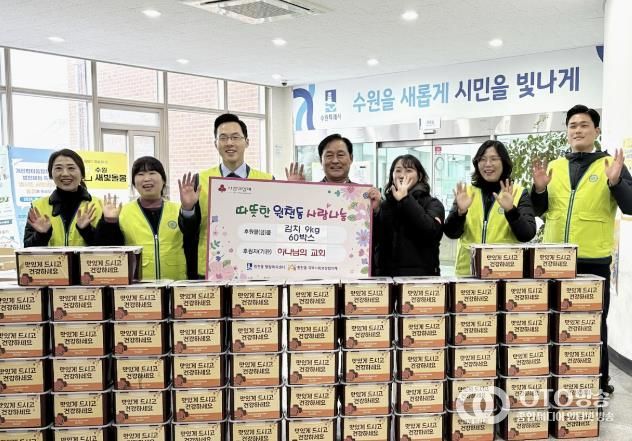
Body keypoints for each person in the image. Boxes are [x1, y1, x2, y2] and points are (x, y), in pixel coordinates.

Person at [531, 104, 632, 394]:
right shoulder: (554, 166)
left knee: (593, 323)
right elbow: (539, 210)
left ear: (596, 131)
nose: (578, 130)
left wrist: (615, 182)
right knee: (553, 319)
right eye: (572, 125)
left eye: (584, 125)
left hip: (593, 260)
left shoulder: (610, 164)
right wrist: (539, 189)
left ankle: (599, 379)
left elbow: (630, 205)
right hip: (554, 259)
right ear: (567, 131)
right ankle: (553, 377)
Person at [194, 113, 273, 277]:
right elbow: (190, 229)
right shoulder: (200, 180)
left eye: (235, 137)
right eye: (223, 138)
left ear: (247, 142)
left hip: (255, 267)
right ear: (215, 143)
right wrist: (187, 210)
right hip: (212, 269)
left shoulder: (267, 180)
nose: (229, 143)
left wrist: (291, 191)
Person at [98, 156, 199, 280]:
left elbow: (192, 240)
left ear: (163, 180)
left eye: (152, 173)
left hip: (175, 284)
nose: (146, 178)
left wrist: (188, 209)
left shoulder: (179, 210)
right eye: (140, 174)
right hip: (138, 286)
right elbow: (110, 253)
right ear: (134, 183)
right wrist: (110, 222)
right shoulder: (121, 212)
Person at [444, 140, 536, 276]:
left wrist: (511, 211)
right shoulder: (466, 193)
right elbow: (451, 233)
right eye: (482, 159)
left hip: (504, 273)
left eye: (494, 159)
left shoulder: (518, 192)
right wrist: (460, 213)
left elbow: (527, 235)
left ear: (504, 162)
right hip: (468, 275)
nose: (487, 164)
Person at [373, 154, 444, 276]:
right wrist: (375, 213)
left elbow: (431, 231)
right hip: (385, 278)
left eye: (409, 170)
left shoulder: (432, 203)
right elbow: (374, 240)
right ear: (392, 175)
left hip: (420, 279)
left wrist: (405, 199)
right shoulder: (385, 205)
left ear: (419, 176)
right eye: (398, 171)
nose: (402, 175)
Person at [24, 148, 102, 247]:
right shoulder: (38, 206)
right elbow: (27, 248)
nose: (65, 174)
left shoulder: (99, 205)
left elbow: (107, 247)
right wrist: (41, 235)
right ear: (51, 174)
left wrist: (86, 230)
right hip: (51, 259)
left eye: (71, 168)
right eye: (58, 168)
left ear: (82, 173)